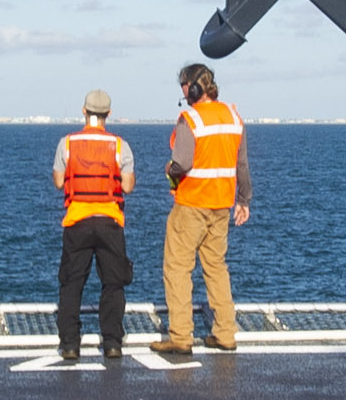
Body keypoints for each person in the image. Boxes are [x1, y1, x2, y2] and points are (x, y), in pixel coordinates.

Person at [155, 61, 252, 354]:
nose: (184, 94)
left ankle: (181, 337)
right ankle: (225, 333)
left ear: (194, 87)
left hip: (191, 205)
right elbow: (242, 164)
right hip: (221, 206)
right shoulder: (233, 117)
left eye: (184, 88)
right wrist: (244, 200)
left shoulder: (191, 118)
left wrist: (170, 169)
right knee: (216, 269)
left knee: (178, 269)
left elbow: (182, 162)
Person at [53, 87, 135, 365]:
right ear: (109, 114)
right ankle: (112, 343)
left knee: (72, 283)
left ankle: (69, 345)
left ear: (84, 111)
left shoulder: (67, 143)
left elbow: (57, 181)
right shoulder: (120, 146)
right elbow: (127, 186)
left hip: (77, 221)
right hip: (110, 222)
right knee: (113, 283)